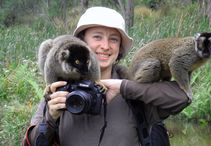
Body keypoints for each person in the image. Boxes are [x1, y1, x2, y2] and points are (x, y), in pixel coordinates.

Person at [22, 6, 190, 146]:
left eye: (114, 39)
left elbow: (182, 97)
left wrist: (122, 86)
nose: (105, 46)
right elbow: (31, 142)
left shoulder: (134, 91)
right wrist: (50, 119)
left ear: (120, 48)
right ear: (82, 42)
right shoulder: (61, 90)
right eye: (97, 37)